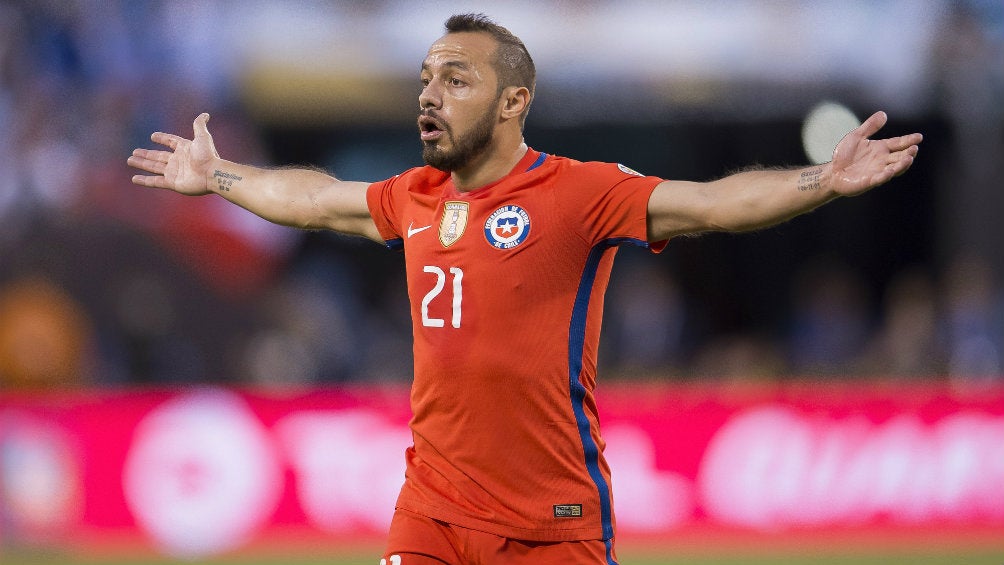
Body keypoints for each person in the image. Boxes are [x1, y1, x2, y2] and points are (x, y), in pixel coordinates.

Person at [127, 13, 922, 565]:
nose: (430, 94)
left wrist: (823, 179)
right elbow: (314, 197)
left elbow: (713, 203)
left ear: (514, 102)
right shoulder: (415, 195)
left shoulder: (581, 192)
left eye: (457, 79)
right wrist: (219, 176)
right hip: (431, 510)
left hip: (555, 523)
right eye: (426, 78)